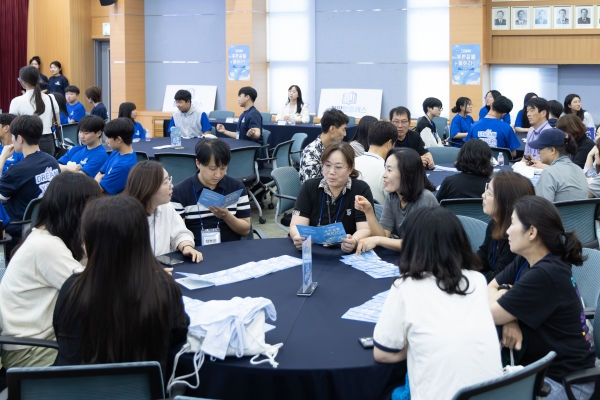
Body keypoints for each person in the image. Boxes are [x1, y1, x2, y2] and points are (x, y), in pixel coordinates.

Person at [373, 207, 502, 400]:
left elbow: (382, 354)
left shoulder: (405, 287)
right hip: (493, 394)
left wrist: (416, 345)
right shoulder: (477, 280)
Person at [53, 195, 189, 374]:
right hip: (143, 387)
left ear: (90, 240)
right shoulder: (162, 289)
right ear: (141, 238)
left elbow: (62, 335)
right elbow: (178, 335)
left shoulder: (73, 288)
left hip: (76, 386)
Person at [489, 196, 595, 399]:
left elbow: (488, 314)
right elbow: (491, 287)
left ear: (531, 232)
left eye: (513, 223)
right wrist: (511, 316)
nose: (507, 231)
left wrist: (506, 303)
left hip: (565, 383)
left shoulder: (545, 273)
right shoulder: (528, 259)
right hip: (540, 370)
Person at [0, 172, 101, 369]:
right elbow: (92, 290)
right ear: (77, 209)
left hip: (37, 340)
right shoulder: (46, 246)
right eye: (93, 208)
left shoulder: (48, 237)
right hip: (32, 352)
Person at [290, 142, 373, 254]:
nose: (331, 172)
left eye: (338, 167)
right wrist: (299, 237)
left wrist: (354, 240)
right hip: (313, 250)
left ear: (350, 168)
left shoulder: (360, 189)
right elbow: (296, 225)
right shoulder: (309, 187)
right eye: (327, 165)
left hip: (345, 252)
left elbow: (364, 228)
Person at [354, 148, 438, 254]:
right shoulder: (393, 196)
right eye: (385, 168)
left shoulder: (425, 199)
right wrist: (369, 212)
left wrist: (378, 240)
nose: (383, 175)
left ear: (407, 173)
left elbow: (417, 244)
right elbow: (384, 235)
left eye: (389, 170)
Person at [171, 139, 251, 245]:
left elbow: (245, 231)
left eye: (223, 168)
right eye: (212, 169)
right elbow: (178, 236)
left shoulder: (236, 187)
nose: (218, 174)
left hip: (231, 249)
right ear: (198, 163)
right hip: (196, 251)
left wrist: (227, 216)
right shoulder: (180, 192)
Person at [0, 115, 60, 252]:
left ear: (20, 139)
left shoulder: (17, 170)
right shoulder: (52, 161)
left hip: (19, 232)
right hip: (48, 225)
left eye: (13, 136)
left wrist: (2, 158)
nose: (12, 139)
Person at [124, 161, 203, 261]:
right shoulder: (125, 217)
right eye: (166, 183)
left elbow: (179, 234)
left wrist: (186, 246)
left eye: (169, 180)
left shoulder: (166, 206)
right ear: (149, 188)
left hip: (163, 266)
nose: (171, 186)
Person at [478, 171, 535, 282]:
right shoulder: (494, 224)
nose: (483, 195)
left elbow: (500, 279)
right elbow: (482, 256)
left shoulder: (515, 238)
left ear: (505, 201)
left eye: (489, 193)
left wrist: (471, 276)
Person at [9, 66, 60, 156]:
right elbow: (57, 123)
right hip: (48, 140)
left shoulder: (16, 101)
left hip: (27, 142)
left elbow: (13, 128)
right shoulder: (51, 98)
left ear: (23, 82)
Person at [528, 128, 588, 202]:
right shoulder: (579, 170)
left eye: (540, 148)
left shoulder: (549, 173)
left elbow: (542, 207)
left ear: (552, 150)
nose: (538, 152)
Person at [299, 108, 348, 184]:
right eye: (343, 130)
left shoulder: (334, 148)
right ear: (332, 129)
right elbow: (311, 185)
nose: (345, 134)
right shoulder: (311, 152)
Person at [355, 121, 397, 205]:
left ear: (369, 141)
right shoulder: (387, 170)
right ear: (389, 144)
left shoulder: (351, 162)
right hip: (378, 212)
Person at [95, 118, 137, 195]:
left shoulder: (123, 166)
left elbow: (98, 189)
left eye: (108, 138)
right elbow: (100, 173)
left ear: (118, 139)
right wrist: (97, 180)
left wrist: (97, 180)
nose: (106, 141)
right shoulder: (116, 152)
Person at [522, 97, 551, 162]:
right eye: (527, 111)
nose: (528, 114)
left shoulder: (549, 132)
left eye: (532, 110)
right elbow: (525, 156)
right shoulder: (530, 131)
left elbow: (545, 161)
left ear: (543, 113)